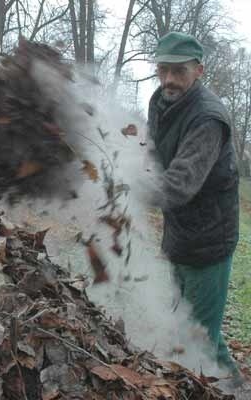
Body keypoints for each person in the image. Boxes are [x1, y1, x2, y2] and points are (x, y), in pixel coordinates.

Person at [142, 31, 241, 382]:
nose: (168, 79)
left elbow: (179, 183)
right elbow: (149, 154)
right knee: (197, 329)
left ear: (198, 70)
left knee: (197, 340)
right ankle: (237, 389)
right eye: (162, 69)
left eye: (178, 71)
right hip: (180, 236)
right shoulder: (160, 102)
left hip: (209, 241)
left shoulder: (207, 118)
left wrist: (127, 190)